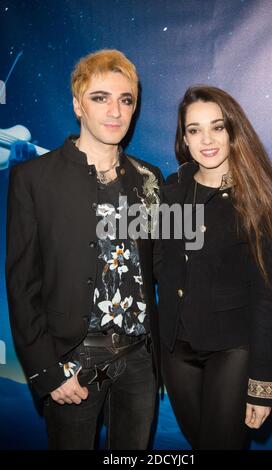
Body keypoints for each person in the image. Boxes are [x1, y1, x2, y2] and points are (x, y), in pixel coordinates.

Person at [6, 49, 163, 450]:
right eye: (100, 98)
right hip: (71, 364)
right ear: (78, 105)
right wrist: (46, 372)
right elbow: (22, 284)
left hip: (140, 362)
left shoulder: (149, 178)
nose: (115, 111)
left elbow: (164, 265)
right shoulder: (34, 179)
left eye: (125, 99)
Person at [156, 85, 272, 449]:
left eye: (217, 127)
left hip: (232, 348)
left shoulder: (260, 198)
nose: (207, 140)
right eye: (194, 129)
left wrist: (262, 387)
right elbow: (162, 267)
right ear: (184, 139)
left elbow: (269, 298)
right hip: (175, 350)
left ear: (233, 132)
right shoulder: (173, 191)